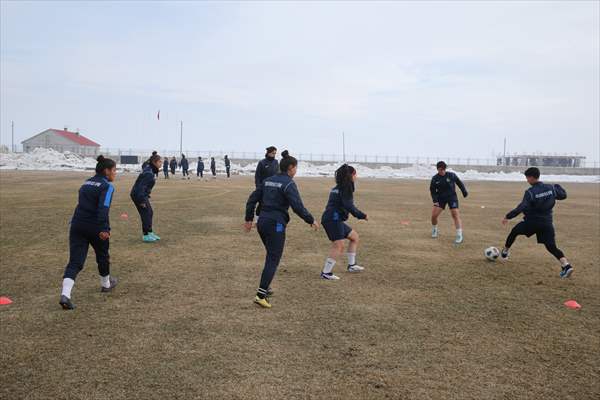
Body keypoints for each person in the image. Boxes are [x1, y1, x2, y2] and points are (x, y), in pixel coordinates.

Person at [244, 150, 319, 309]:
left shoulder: (268, 180)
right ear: (291, 168)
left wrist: (249, 219)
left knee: (271, 255)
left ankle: (266, 287)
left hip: (262, 222)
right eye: (296, 168)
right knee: (273, 258)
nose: (296, 170)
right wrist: (310, 220)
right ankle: (260, 295)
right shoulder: (289, 183)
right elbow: (297, 206)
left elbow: (252, 200)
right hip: (275, 224)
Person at [59, 156, 118, 310]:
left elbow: (81, 204)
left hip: (77, 225)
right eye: (114, 170)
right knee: (102, 256)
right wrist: (104, 228)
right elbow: (103, 208)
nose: (115, 173)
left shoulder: (86, 183)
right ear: (106, 171)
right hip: (95, 227)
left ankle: (65, 294)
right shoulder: (107, 186)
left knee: (75, 261)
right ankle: (106, 284)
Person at [501, 167, 573, 278]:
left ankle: (505, 251)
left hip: (532, 222)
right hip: (547, 223)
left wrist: (508, 216)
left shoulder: (530, 192)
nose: (527, 180)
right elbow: (563, 195)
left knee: (514, 231)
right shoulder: (551, 188)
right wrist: (557, 186)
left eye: (527, 178)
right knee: (551, 246)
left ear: (531, 177)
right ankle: (566, 265)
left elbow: (522, 206)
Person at [320, 164, 368, 280]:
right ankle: (326, 273)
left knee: (354, 237)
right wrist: (362, 215)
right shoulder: (346, 189)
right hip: (333, 219)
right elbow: (349, 206)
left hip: (333, 218)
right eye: (355, 174)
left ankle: (352, 265)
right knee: (339, 246)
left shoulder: (338, 187)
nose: (356, 176)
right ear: (350, 175)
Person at [430, 161, 468, 244]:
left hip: (452, 197)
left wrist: (464, 191)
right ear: (437, 169)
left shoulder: (451, 175)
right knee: (434, 216)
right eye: (439, 169)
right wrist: (435, 200)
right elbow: (432, 190)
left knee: (455, 214)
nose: (441, 171)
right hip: (440, 198)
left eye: (442, 169)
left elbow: (459, 183)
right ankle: (434, 229)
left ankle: (459, 235)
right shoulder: (435, 178)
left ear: (445, 169)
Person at [131, 154, 162, 242]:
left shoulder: (150, 168)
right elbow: (141, 187)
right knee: (146, 213)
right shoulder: (149, 173)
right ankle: (146, 235)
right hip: (138, 195)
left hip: (142, 194)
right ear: (154, 162)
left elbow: (144, 165)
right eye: (159, 162)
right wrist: (141, 201)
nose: (161, 163)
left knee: (149, 212)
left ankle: (150, 232)